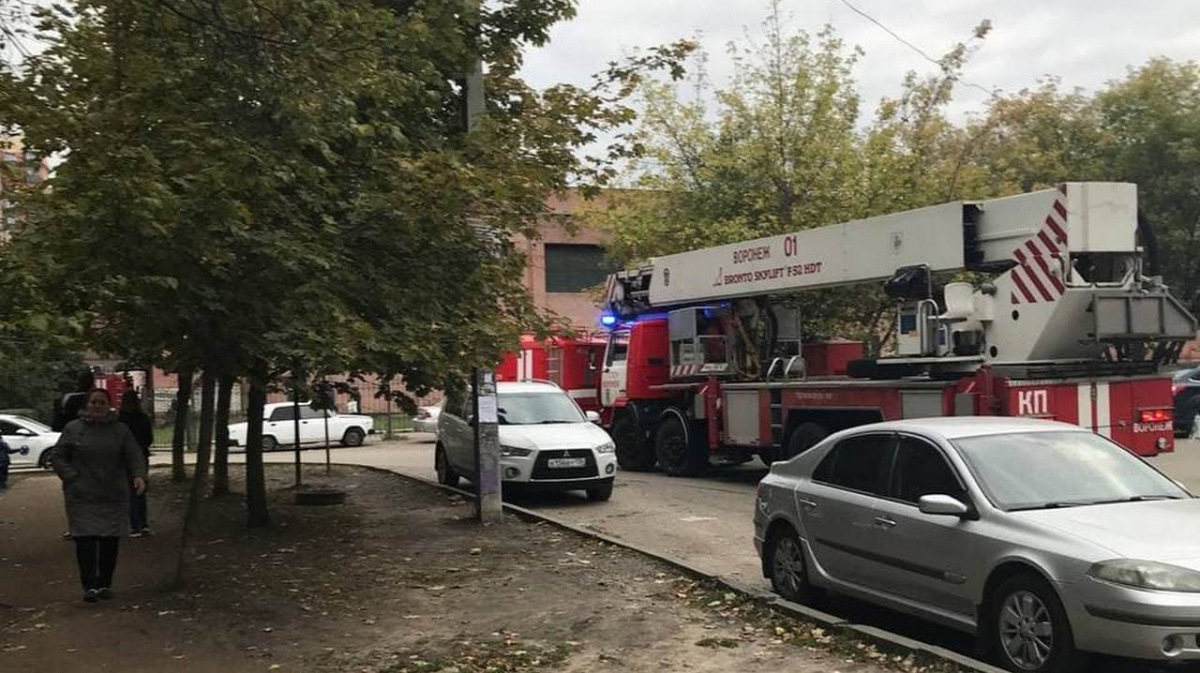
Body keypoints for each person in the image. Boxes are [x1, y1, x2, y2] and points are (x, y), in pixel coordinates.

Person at [51, 389, 148, 603]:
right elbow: (58, 457)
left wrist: (139, 475)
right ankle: (89, 586)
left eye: (102, 402)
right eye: (94, 402)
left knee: (108, 541)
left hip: (112, 493)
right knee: (85, 540)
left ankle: (104, 583)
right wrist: (71, 476)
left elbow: (134, 454)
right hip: (81, 494)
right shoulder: (73, 429)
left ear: (109, 405)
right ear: (87, 405)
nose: (97, 405)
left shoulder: (120, 430)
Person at [118, 389, 154, 537]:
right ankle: (143, 523)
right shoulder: (143, 418)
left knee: (130, 492)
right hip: (141, 456)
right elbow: (149, 439)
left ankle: (134, 525)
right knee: (140, 491)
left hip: (125, 459)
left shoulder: (120, 420)